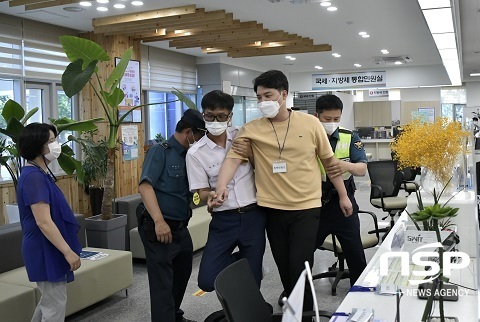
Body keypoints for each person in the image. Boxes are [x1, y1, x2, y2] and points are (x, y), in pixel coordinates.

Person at [213, 70, 353, 313]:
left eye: (268, 95)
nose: (263, 102)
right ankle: (294, 309)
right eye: (259, 97)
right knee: (284, 267)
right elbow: (233, 159)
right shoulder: (252, 129)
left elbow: (329, 163)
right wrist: (221, 186)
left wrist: (343, 195)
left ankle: (305, 314)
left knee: (300, 265)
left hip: (306, 208)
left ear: (284, 94)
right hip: (272, 210)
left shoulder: (310, 124)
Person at [185, 90, 266, 294]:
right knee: (207, 279)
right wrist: (210, 197)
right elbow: (201, 191)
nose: (215, 121)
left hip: (253, 216)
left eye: (221, 116)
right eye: (210, 116)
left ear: (230, 117)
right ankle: (244, 263)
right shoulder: (195, 153)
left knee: (253, 279)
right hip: (224, 220)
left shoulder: (243, 136)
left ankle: (248, 311)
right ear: (203, 115)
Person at [137, 109, 206, 322]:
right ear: (188, 132)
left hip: (179, 226)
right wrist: (159, 221)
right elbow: (145, 187)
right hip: (159, 224)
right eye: (199, 136)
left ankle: (174, 314)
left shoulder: (190, 155)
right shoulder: (160, 151)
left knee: (183, 270)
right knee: (162, 281)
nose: (199, 141)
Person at [17, 122, 82, 321]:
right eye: (52, 141)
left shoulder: (38, 174)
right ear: (39, 147)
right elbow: (43, 222)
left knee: (50, 302)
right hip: (43, 247)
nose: (56, 145)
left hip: (47, 245)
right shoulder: (33, 178)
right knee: (54, 305)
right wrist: (68, 252)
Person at [314, 94, 368, 285]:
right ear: (317, 116)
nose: (332, 123)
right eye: (327, 119)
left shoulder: (349, 136)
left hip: (344, 201)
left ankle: (359, 288)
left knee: (355, 251)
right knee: (303, 251)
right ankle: (299, 292)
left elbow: (362, 169)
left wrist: (346, 166)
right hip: (314, 202)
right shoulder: (308, 137)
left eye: (336, 119)